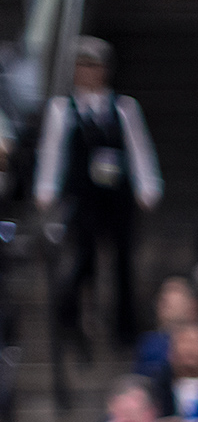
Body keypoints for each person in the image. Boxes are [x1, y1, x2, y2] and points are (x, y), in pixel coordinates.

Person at [34, 37, 162, 350]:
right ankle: (75, 318)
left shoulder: (123, 107)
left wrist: (147, 185)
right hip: (82, 195)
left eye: (94, 66)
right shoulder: (62, 109)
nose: (88, 72)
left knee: (122, 258)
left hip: (116, 194)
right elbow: (52, 151)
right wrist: (46, 188)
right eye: (82, 65)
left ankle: (125, 326)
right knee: (83, 256)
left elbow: (139, 148)